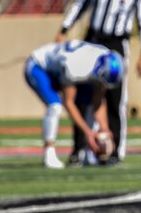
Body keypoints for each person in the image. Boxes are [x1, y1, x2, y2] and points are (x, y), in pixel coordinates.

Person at [57, 0, 141, 165]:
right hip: (93, 39)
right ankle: (79, 149)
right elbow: (80, 4)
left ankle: (116, 150)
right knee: (83, 95)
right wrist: (64, 28)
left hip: (116, 44)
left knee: (115, 98)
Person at [24, 41, 123, 169]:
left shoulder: (103, 56)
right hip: (38, 66)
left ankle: (88, 152)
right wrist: (88, 133)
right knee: (55, 105)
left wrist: (105, 129)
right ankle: (49, 152)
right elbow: (69, 103)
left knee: (89, 100)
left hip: (62, 68)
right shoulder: (75, 66)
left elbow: (98, 100)